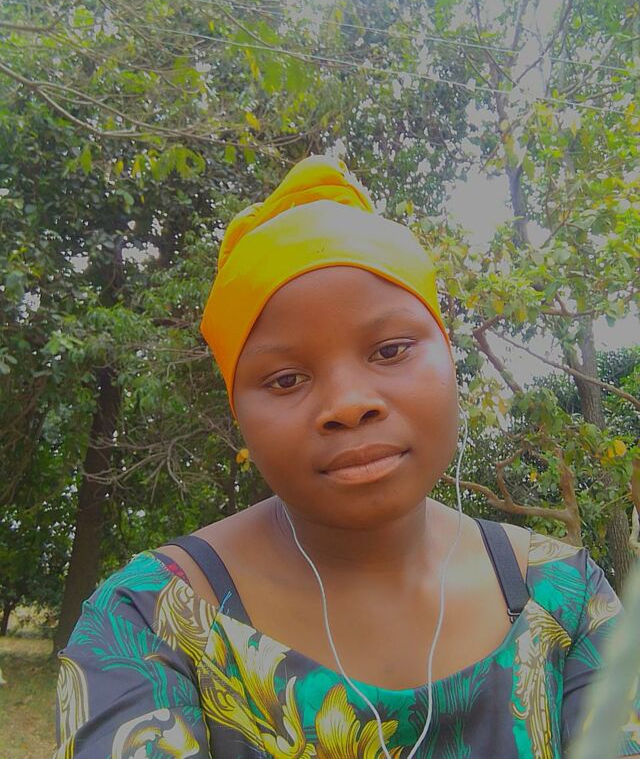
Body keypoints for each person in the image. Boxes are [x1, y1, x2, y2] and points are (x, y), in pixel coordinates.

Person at [54, 156, 640, 758]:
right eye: (286, 379)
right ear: (239, 412)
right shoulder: (147, 621)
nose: (348, 404)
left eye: (389, 350)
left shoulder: (565, 596)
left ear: (447, 354)